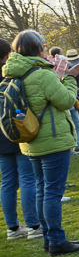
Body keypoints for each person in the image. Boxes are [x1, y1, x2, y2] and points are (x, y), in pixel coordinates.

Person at [3, 30, 79, 255]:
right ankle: (57, 240)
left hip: (31, 140)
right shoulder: (41, 74)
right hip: (53, 140)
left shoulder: (14, 72)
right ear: (38, 48)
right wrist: (68, 77)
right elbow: (66, 100)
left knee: (41, 189)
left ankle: (49, 238)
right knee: (52, 192)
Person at [0, 38, 41, 240]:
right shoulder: (12, 74)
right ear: (8, 55)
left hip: (1, 132)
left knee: (7, 181)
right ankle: (34, 225)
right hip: (17, 129)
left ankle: (12, 228)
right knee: (27, 178)